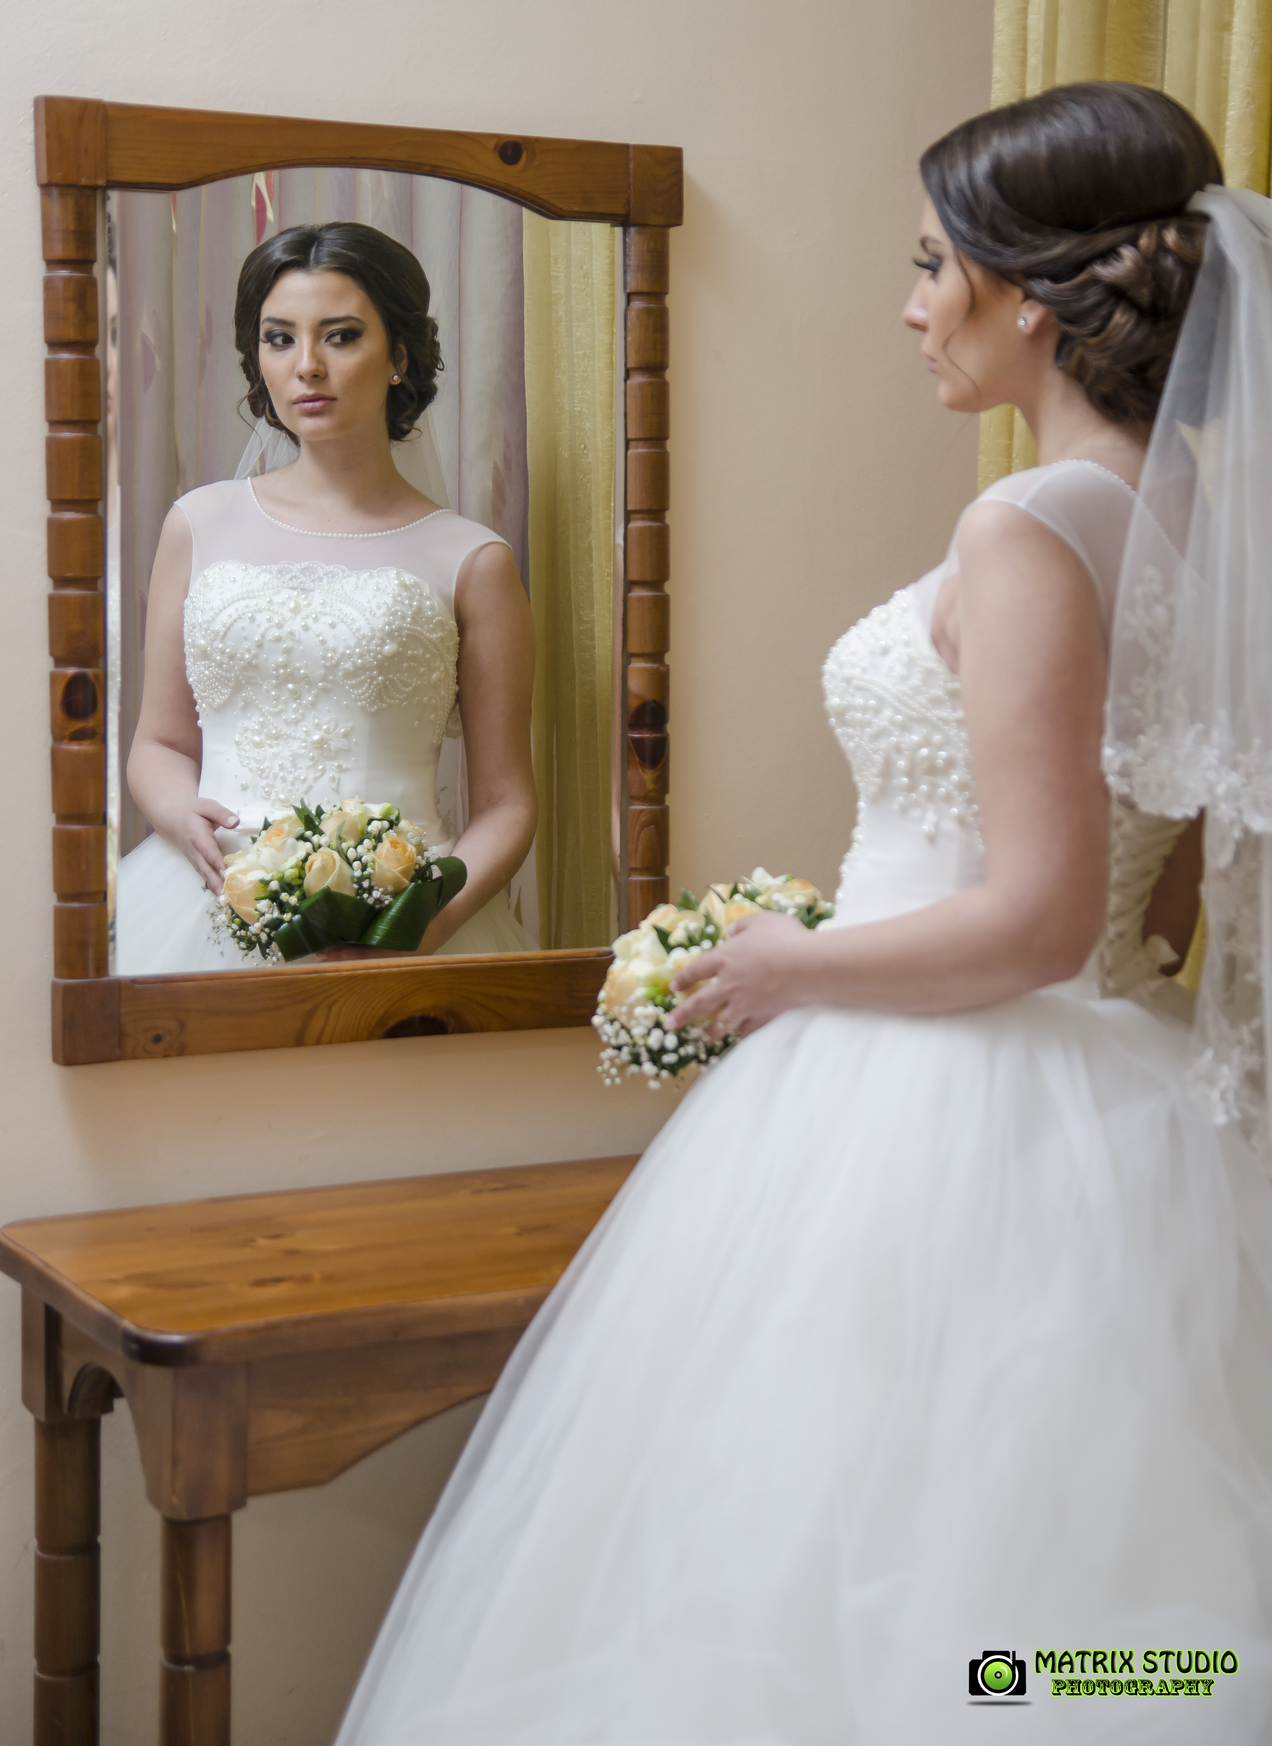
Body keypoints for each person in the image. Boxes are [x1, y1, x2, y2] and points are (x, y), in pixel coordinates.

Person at [333, 84, 1272, 1743]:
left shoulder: (1026, 523)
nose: (910, 306)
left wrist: (789, 962)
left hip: (942, 1110)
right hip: (1123, 1103)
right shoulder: (1197, 522)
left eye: (930, 264)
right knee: (1074, 1600)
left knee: (831, 1585)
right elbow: (1158, 891)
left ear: (1028, 295)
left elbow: (1039, 921)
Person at [115, 222, 536, 973]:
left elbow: (507, 804)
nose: (306, 365)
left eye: (340, 336)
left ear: (399, 356)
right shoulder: (197, 524)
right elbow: (160, 743)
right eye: (279, 339)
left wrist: (424, 925)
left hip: (399, 917)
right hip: (199, 901)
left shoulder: (473, 560)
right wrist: (181, 814)